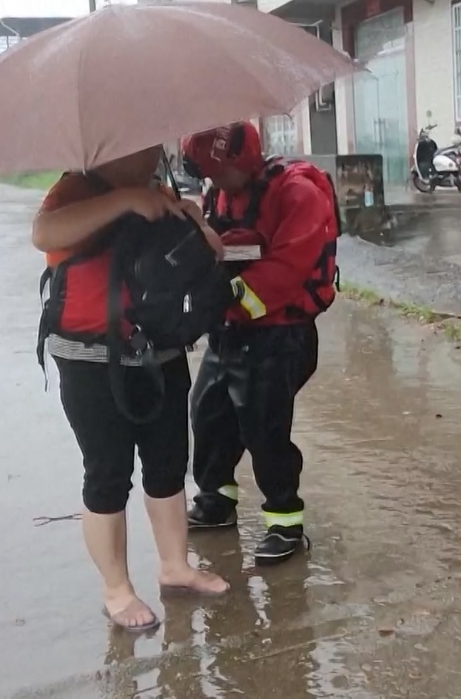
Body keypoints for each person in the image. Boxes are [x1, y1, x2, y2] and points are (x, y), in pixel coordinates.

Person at [32, 147, 230, 632]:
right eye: (140, 148)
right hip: (91, 360)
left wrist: (194, 223)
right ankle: (116, 590)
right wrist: (123, 200)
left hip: (158, 354)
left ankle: (175, 566)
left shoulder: (159, 192)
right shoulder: (73, 191)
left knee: (167, 466)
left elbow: (212, 252)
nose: (151, 154)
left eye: (153, 147)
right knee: (108, 473)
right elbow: (44, 234)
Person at [180, 122, 341, 566]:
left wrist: (229, 295)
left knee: (265, 430)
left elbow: (288, 267)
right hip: (230, 332)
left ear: (241, 158)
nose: (212, 182)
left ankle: (285, 522)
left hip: (279, 336)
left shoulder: (298, 194)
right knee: (208, 416)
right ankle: (216, 501)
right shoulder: (220, 194)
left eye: (217, 171)